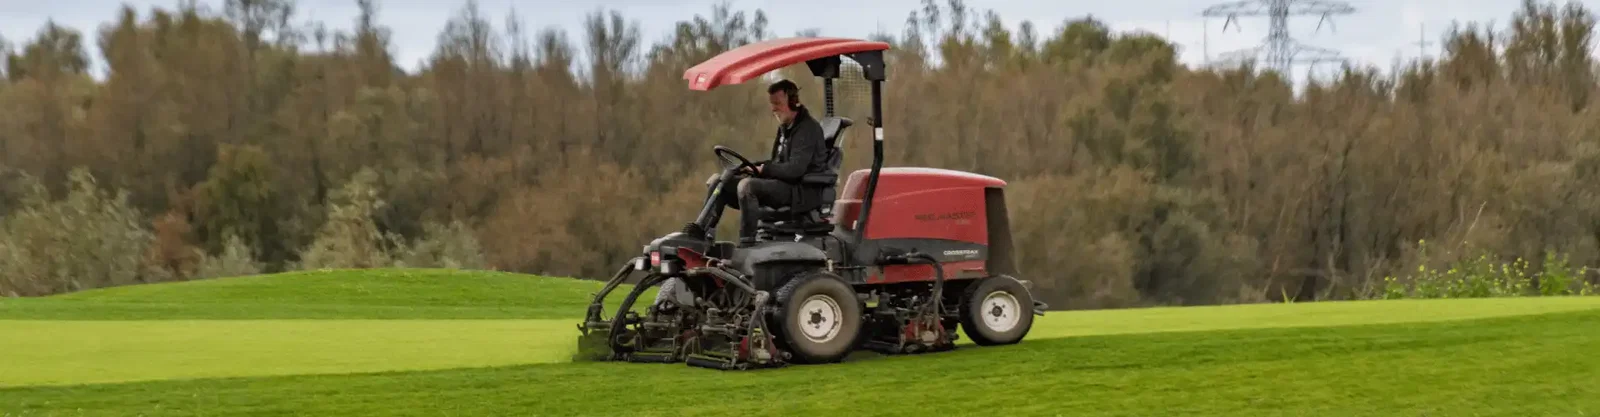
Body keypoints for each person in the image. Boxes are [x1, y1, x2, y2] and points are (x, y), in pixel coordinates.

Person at [684, 79, 829, 247]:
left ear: (793, 101)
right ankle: (700, 235)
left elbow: (795, 170)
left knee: (747, 186)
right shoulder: (786, 127)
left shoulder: (807, 130)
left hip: (800, 192)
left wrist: (763, 170)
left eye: (777, 103)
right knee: (720, 181)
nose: (773, 109)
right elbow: (776, 163)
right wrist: (750, 167)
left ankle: (747, 242)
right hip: (783, 184)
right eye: (772, 104)